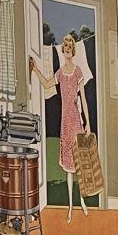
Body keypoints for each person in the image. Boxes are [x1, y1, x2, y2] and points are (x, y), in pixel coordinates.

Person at [31, 32, 94, 217]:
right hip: (64, 122)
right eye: (65, 48)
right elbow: (46, 84)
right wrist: (35, 69)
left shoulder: (78, 72)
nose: (67, 50)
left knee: (80, 163)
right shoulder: (60, 73)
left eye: (69, 48)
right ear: (63, 50)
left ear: (73, 51)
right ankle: (70, 206)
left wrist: (88, 124)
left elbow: (83, 99)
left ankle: (82, 200)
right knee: (68, 166)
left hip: (76, 120)